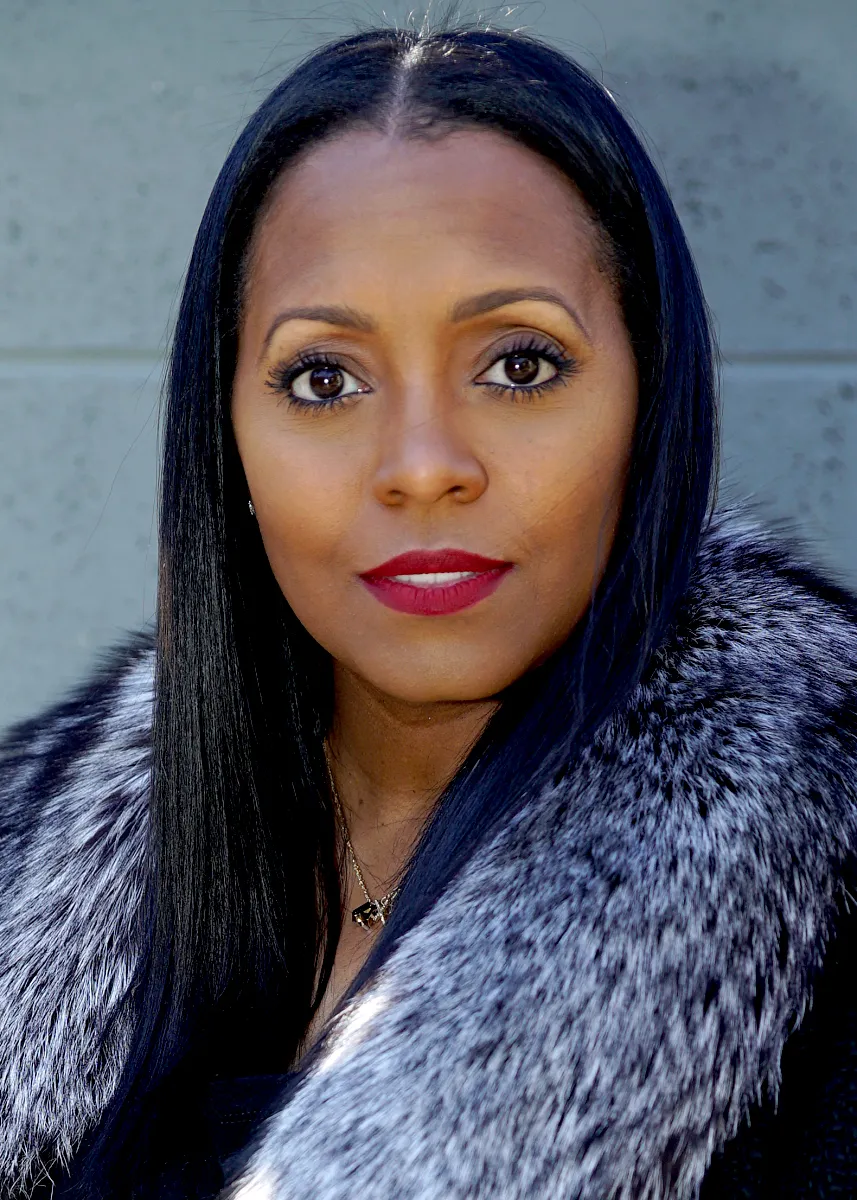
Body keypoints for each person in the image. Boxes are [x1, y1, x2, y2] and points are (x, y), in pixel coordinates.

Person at [0, 17, 855, 1200]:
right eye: (323, 378)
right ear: (228, 440)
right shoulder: (35, 879)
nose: (420, 467)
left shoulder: (829, 895)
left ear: (648, 402)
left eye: (519, 365)